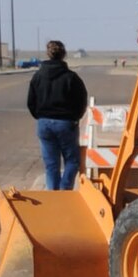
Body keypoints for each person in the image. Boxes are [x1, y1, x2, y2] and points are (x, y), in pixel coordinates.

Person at [26, 40, 89, 191]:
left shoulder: (38, 76)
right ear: (64, 55)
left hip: (44, 123)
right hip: (66, 123)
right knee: (72, 161)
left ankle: (53, 195)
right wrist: (75, 117)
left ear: (48, 54)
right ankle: (64, 190)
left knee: (51, 164)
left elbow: (31, 101)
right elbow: (81, 100)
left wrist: (40, 116)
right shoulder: (71, 78)